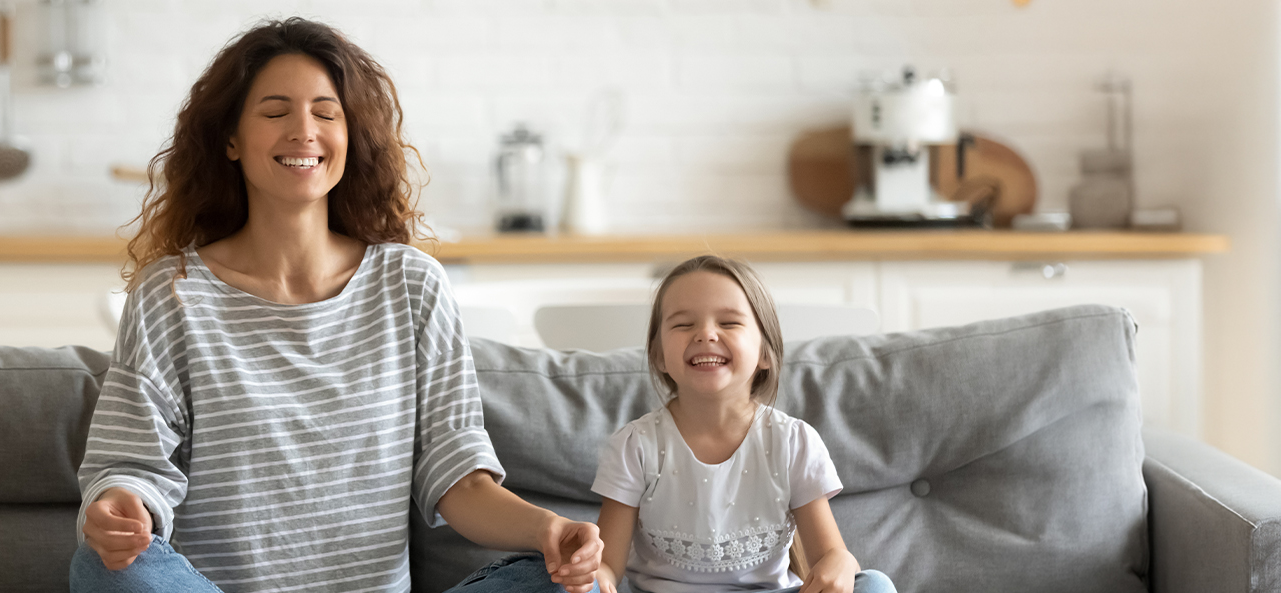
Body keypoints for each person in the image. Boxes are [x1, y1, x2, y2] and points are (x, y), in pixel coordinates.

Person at [68, 17, 602, 593]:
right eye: (275, 112)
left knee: (574, 583)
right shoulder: (171, 293)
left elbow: (459, 480)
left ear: (350, 138)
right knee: (107, 571)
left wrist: (552, 528)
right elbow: (132, 465)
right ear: (230, 138)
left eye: (326, 113)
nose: (304, 131)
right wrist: (120, 506)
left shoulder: (411, 284)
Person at [590, 256, 895, 593]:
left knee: (874, 585)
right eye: (682, 324)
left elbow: (830, 558)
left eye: (729, 323)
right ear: (659, 356)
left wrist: (843, 562)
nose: (705, 334)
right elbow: (607, 566)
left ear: (765, 352)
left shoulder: (793, 442)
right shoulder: (635, 445)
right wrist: (591, 578)